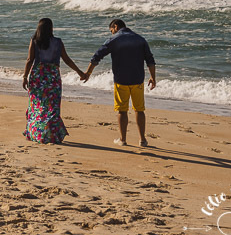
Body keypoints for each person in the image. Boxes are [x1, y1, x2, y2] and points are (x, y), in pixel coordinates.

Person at [82, 19, 156, 147]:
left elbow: (96, 56)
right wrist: (153, 77)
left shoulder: (114, 40)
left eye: (111, 31)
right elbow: (150, 60)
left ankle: (122, 139)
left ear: (115, 27)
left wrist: (88, 73)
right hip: (138, 80)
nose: (112, 33)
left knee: (122, 111)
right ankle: (143, 140)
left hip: (121, 80)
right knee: (139, 110)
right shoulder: (140, 39)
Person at [21, 18, 86, 144]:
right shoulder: (58, 42)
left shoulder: (35, 41)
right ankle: (51, 135)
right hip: (53, 76)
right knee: (52, 107)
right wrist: (80, 72)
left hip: (38, 75)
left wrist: (25, 77)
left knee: (37, 105)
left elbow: (29, 60)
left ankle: (36, 133)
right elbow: (67, 60)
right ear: (51, 28)